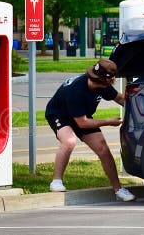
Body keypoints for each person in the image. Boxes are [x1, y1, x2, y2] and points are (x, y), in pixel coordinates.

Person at [44, 59, 135, 202]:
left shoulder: (103, 85)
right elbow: (83, 123)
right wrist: (108, 122)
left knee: (103, 149)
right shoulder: (76, 90)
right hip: (60, 114)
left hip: (82, 115)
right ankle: (56, 182)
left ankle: (118, 190)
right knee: (69, 141)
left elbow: (121, 99)